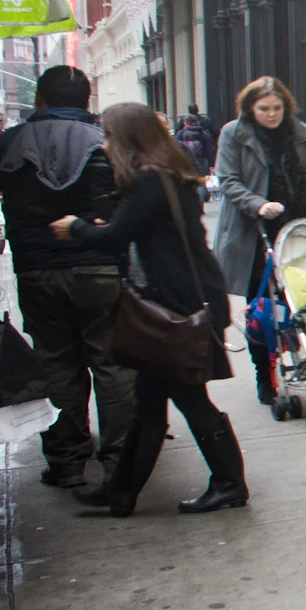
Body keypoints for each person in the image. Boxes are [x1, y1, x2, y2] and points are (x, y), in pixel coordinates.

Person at [49, 104, 247, 516]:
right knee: (150, 402)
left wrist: (76, 229)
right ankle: (121, 491)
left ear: (127, 139)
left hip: (177, 305)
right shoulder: (165, 177)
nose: (103, 144)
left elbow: (119, 235)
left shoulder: (150, 181)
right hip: (181, 299)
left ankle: (229, 483)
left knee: (191, 400)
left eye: (108, 135)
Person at [0, 64, 134, 488]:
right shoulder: (110, 144)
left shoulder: (12, 143)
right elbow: (144, 200)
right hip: (102, 267)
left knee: (56, 362)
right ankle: (121, 463)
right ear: (87, 101)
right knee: (113, 363)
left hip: (37, 270)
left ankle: (67, 462)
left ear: (40, 101)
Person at [212, 77, 306, 405]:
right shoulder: (233, 133)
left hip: (296, 227)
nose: (271, 114)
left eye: (277, 108)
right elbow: (228, 180)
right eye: (264, 108)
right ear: (250, 108)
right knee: (264, 309)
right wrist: (258, 205)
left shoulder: (298, 130)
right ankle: (264, 373)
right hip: (254, 233)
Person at [174, 106, 217, 174]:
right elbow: (209, 151)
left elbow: (176, 148)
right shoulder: (204, 134)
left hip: (187, 163)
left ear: (185, 123)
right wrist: (211, 165)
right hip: (202, 162)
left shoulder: (181, 133)